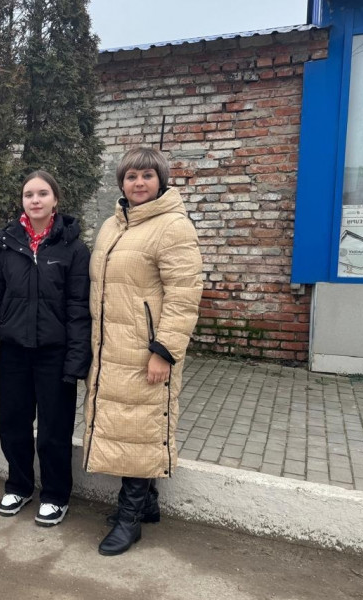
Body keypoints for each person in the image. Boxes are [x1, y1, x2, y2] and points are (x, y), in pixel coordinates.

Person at [84, 147, 203, 555]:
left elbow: (184, 295)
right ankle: (147, 504)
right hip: (110, 348)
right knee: (128, 426)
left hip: (145, 352)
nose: (139, 183)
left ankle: (129, 519)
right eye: (131, 176)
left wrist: (164, 351)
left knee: (139, 428)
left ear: (161, 180)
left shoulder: (173, 226)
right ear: (121, 182)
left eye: (147, 176)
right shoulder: (113, 225)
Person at [0, 170, 91, 527]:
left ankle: (55, 495)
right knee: (13, 423)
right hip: (15, 350)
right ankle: (19, 485)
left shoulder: (73, 248)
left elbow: (79, 307)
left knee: (54, 429)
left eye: (42, 193)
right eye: (28, 195)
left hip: (55, 353)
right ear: (22, 201)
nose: (35, 200)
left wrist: (76, 359)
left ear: (56, 199)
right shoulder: (7, 244)